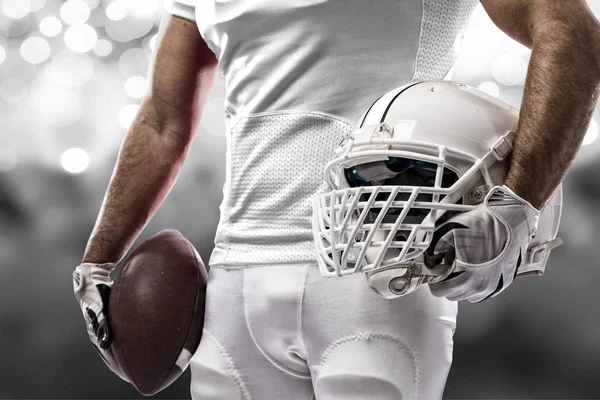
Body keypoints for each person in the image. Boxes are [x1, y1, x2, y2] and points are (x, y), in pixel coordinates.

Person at [73, 0, 600, 398]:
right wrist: (97, 260)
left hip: (381, 267)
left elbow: (571, 34)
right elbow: (163, 120)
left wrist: (516, 204)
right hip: (233, 282)